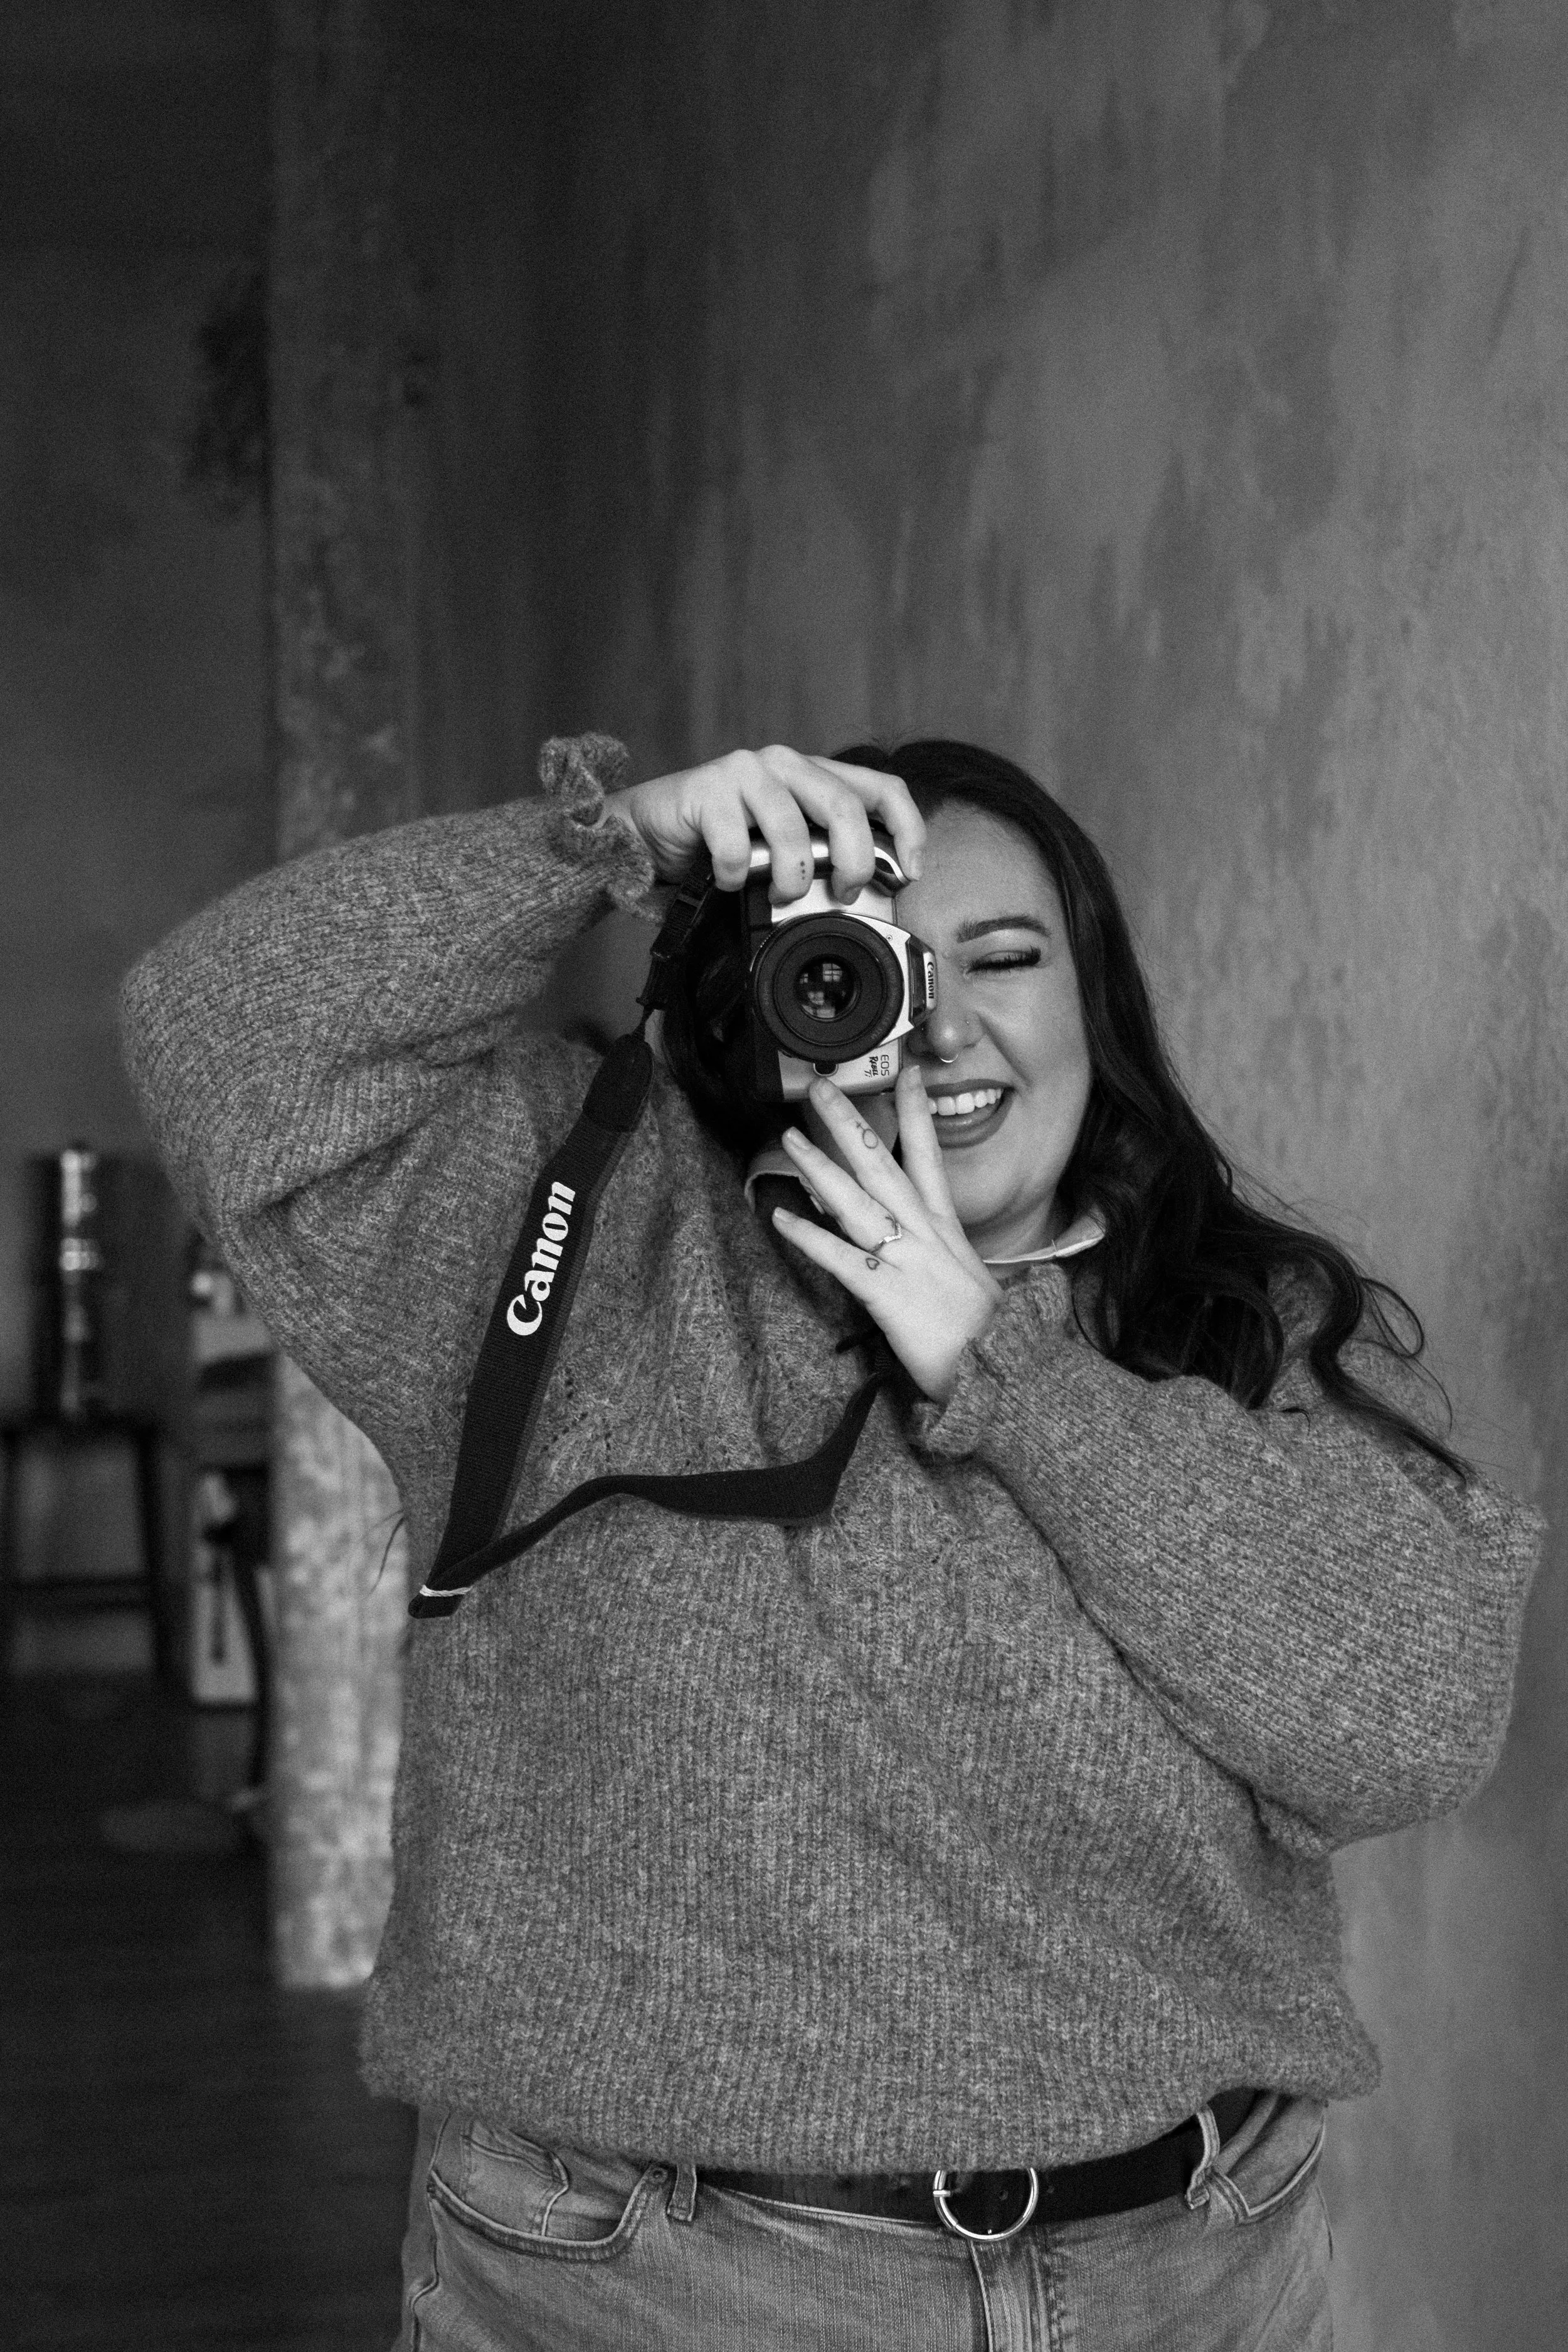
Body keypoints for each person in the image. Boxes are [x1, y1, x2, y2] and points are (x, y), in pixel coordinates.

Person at [121, 734, 1540, 2352]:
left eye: (1007, 960)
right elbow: (223, 1032)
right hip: (652, 2287)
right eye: (862, 963)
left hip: (1184, 2275)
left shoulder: (1251, 1326)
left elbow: (1407, 1730)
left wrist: (996, 1365)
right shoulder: (585, 1245)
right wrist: (608, 847)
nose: (939, 1025)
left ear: (1100, 1007)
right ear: (760, 996)